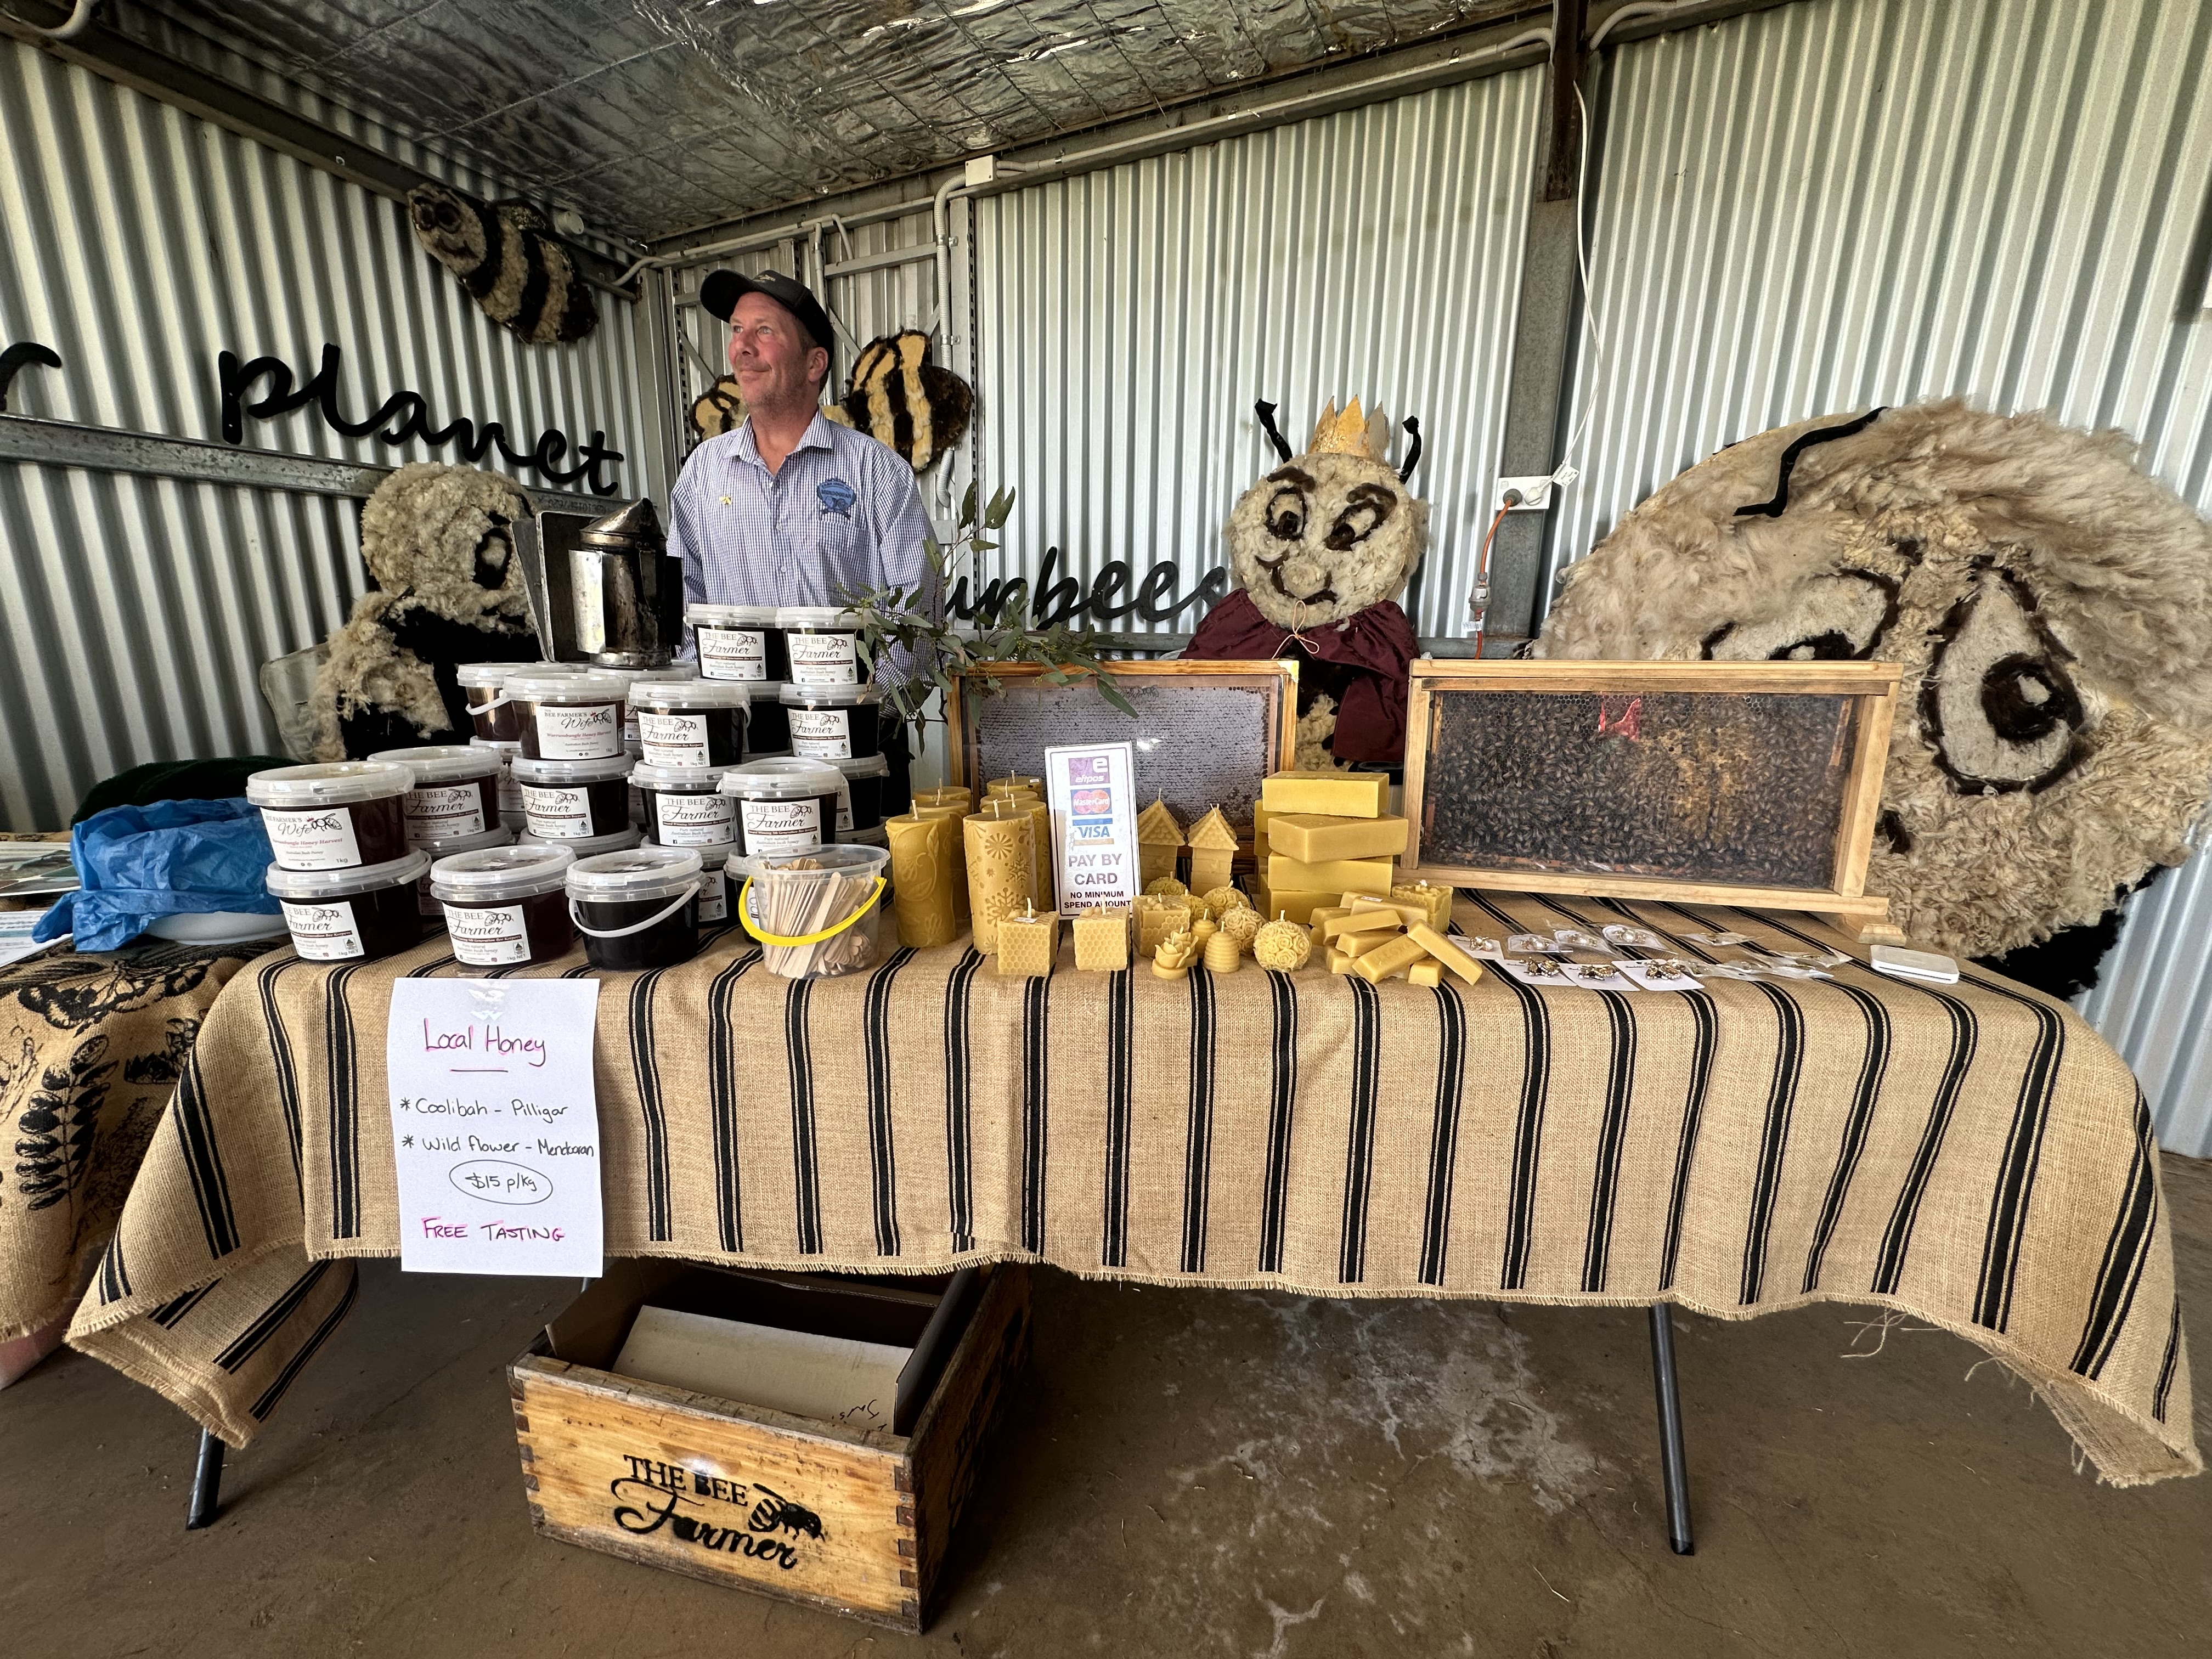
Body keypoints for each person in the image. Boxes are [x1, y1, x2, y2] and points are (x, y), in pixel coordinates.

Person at [669, 269, 936, 806]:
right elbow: (681, 611)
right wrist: (711, 722)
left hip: (856, 751)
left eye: (764, 330)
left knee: (865, 864)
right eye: (737, 329)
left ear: (815, 364)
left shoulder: (875, 471)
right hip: (742, 756)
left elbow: (918, 619)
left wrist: (855, 720)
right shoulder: (702, 474)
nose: (742, 347)